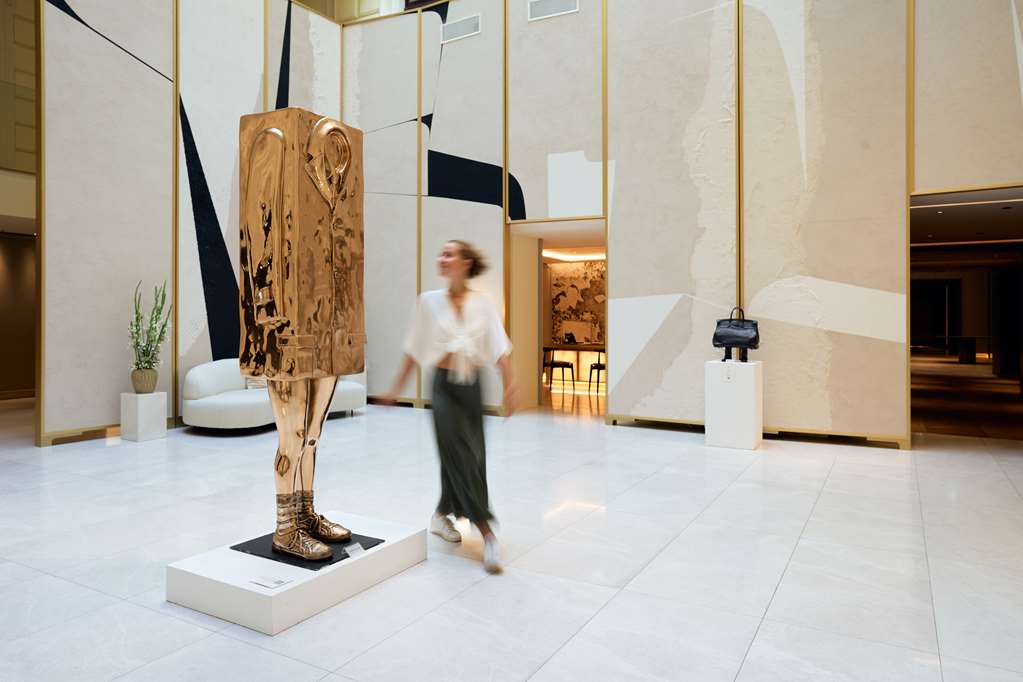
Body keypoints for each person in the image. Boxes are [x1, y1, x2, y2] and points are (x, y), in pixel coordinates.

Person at [382, 240, 517, 574]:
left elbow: (498, 347)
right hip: (443, 388)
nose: (442, 258)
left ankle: (441, 515)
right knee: (458, 452)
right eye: (441, 253)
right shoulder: (428, 301)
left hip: (472, 387)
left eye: (449, 253)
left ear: (466, 262)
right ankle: (487, 532)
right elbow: (414, 349)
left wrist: (511, 385)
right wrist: (396, 389)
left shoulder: (482, 304)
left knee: (473, 454)